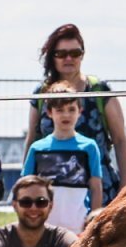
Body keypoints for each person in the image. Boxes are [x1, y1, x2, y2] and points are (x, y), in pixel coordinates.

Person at [25, 25, 126, 198]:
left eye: (75, 53)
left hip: (98, 188)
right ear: (52, 57)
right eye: (61, 54)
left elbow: (120, 140)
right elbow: (31, 139)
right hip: (53, 189)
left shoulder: (100, 90)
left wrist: (125, 186)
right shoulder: (41, 93)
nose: (69, 58)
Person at [24, 86, 106, 232]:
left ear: (80, 111)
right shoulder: (37, 148)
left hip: (78, 228)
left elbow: (96, 187)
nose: (66, 115)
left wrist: (94, 220)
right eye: (60, 110)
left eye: (71, 109)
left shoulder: (89, 147)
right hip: (44, 228)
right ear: (49, 112)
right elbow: (25, 187)